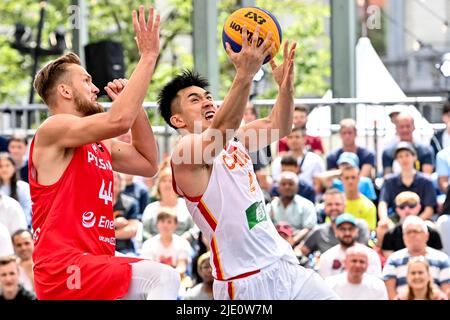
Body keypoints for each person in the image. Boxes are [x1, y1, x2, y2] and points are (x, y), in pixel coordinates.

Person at [159, 29, 337, 300]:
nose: (207, 100)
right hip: (243, 282)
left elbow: (280, 125)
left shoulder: (235, 139)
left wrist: (285, 87)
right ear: (178, 120)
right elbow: (220, 130)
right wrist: (245, 73)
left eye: (207, 95)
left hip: (283, 264)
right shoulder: (185, 152)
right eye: (195, 99)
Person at [29, 6, 180, 300]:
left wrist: (134, 109)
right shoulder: (54, 128)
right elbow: (117, 120)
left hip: (96, 263)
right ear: (65, 92)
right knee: (162, 277)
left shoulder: (98, 142)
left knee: (157, 281)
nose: (95, 88)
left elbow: (149, 163)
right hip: (66, 268)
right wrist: (148, 57)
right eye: (86, 81)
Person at [382, 216, 450, 299]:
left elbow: (447, 291)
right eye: (408, 232)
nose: (412, 235)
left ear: (426, 235)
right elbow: (389, 291)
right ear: (403, 237)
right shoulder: (394, 259)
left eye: (416, 231)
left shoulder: (442, 259)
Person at [298, 189, 369, 257]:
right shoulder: (319, 231)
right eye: (329, 204)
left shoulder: (359, 225)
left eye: (337, 204)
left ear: (344, 206)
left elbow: (362, 252)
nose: (333, 208)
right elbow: (301, 250)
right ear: (324, 208)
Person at [378, 142, 436, 222]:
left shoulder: (426, 181)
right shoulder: (389, 181)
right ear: (397, 160)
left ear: (414, 157)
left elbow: (429, 209)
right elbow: (383, 203)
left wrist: (413, 223)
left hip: (421, 222)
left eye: (407, 155)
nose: (404, 159)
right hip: (397, 221)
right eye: (400, 156)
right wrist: (384, 220)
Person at [380, 192, 443, 259]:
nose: (407, 209)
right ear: (397, 209)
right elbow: (391, 262)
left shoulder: (433, 233)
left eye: (411, 205)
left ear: (419, 207)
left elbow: (438, 260)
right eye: (402, 206)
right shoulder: (389, 235)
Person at [140, 208, 193, 287]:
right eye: (162, 221)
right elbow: (148, 268)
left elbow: (182, 267)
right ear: (157, 224)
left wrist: (168, 278)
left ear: (176, 225)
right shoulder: (148, 244)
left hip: (177, 281)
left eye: (169, 222)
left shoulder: (183, 243)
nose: (165, 225)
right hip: (155, 282)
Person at [318, 213, 381, 279]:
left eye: (350, 229)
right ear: (336, 232)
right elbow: (325, 285)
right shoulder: (327, 257)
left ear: (357, 231)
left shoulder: (371, 255)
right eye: (343, 229)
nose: (347, 233)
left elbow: (376, 282)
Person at [141, 167, 196, 242]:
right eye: (164, 181)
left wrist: (183, 239)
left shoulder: (187, 206)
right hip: (155, 249)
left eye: (170, 181)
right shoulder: (151, 208)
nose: (167, 184)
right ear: (158, 185)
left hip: (183, 248)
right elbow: (144, 231)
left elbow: (195, 229)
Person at [266, 171, 317, 246]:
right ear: (278, 187)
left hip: (299, 244)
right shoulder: (271, 205)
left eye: (291, 184)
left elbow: (309, 228)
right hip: (274, 244)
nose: (287, 187)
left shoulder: (307, 205)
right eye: (283, 184)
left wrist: (293, 241)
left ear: (297, 187)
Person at [0, 153, 32, 227]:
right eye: (1, 166)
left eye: (7, 165)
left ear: (14, 167)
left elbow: (27, 211)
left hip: (20, 228)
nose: (4, 169)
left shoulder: (23, 187)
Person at [112, 171, 140, 255]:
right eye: (111, 176)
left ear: (121, 181)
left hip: (125, 249)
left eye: (117, 177)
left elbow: (132, 230)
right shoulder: (97, 202)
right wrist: (114, 223)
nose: (114, 180)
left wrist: (107, 233)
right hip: (102, 248)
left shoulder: (130, 203)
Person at [11, 229, 35, 293]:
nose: (23, 248)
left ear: (33, 242)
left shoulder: (45, 262)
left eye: (27, 243)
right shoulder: (10, 268)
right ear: (13, 247)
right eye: (19, 245)